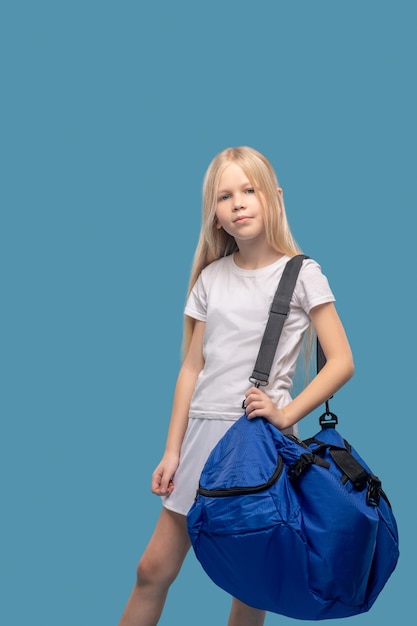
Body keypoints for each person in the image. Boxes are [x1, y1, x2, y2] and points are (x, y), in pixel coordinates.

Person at [118, 146, 354, 626]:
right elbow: (191, 369)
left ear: (274, 198)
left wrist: (287, 414)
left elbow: (343, 361)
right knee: (152, 570)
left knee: (250, 587)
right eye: (225, 196)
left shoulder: (302, 273)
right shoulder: (210, 278)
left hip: (256, 449)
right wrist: (171, 451)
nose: (239, 202)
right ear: (216, 215)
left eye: (249, 190)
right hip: (200, 441)